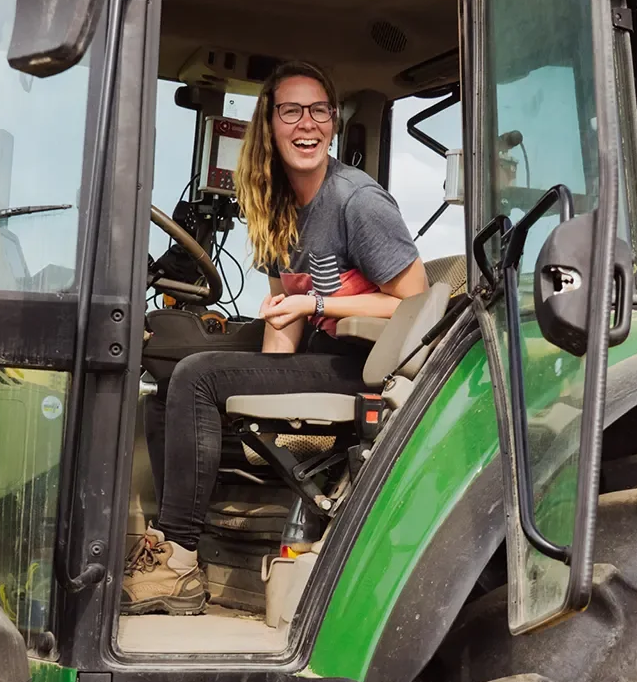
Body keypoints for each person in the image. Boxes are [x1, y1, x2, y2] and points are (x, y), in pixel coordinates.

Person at [123, 61, 429, 615]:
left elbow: (415, 300)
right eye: (291, 111)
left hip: (359, 364)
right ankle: (172, 541)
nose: (305, 124)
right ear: (269, 122)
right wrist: (261, 410)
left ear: (333, 123)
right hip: (314, 350)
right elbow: (283, 322)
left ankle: (179, 564)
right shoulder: (275, 204)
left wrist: (318, 303)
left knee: (199, 375)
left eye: (318, 111)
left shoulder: (356, 201)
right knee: (174, 363)